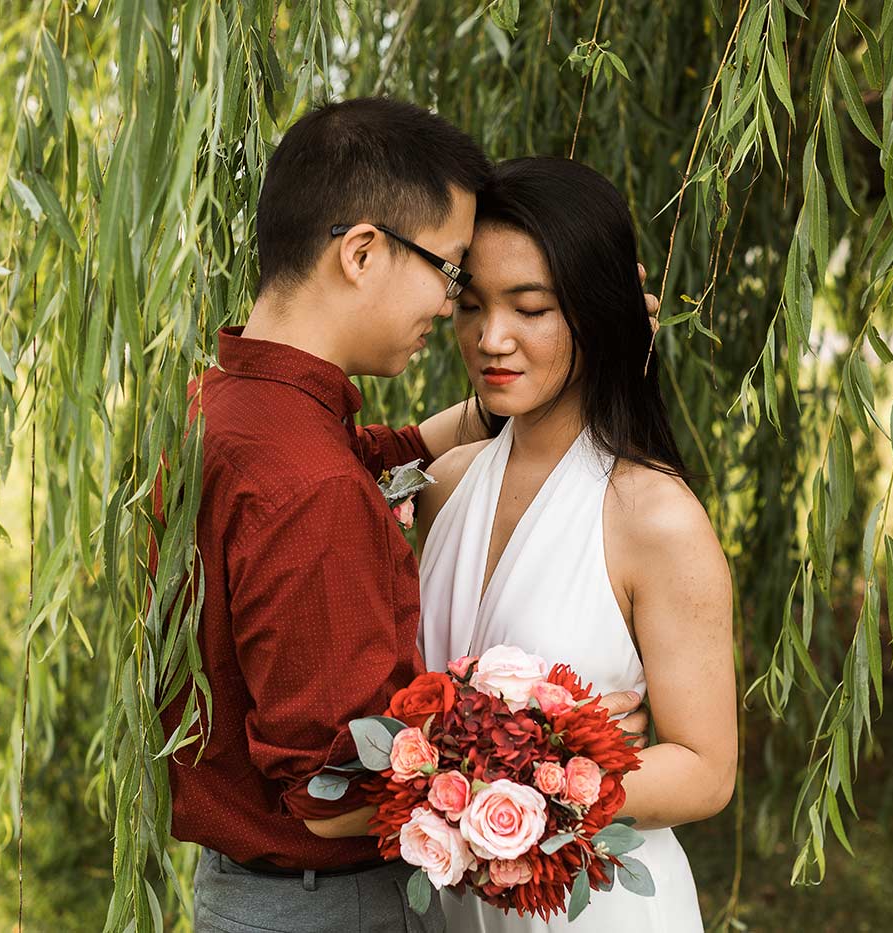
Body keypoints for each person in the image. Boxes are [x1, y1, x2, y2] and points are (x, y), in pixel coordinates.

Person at [161, 100, 652, 933]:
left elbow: (371, 456)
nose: (452, 303)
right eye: (453, 272)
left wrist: (563, 350)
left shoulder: (230, 408)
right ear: (361, 252)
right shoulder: (311, 488)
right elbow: (333, 792)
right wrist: (553, 741)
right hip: (329, 910)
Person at [416, 157, 736, 932]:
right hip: (452, 906)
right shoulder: (445, 484)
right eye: (471, 304)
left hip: (596, 909)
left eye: (531, 308)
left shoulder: (651, 514)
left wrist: (523, 780)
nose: (492, 337)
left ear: (592, 310)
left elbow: (704, 769)